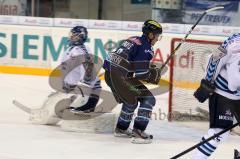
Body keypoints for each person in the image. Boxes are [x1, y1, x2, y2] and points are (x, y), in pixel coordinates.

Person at [103, 20, 167, 144]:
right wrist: (153, 74)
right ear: (150, 34)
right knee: (148, 99)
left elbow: (130, 63)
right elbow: (141, 74)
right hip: (120, 78)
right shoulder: (146, 48)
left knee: (131, 101)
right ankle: (138, 132)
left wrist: (149, 69)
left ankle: (121, 129)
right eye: (157, 36)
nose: (157, 39)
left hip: (110, 75)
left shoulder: (133, 39)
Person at [193, 33, 240, 159]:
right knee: (219, 132)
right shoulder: (234, 41)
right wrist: (207, 82)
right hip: (223, 94)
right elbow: (215, 57)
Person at [61, 25, 101, 113]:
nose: (70, 36)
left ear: (79, 37)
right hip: (74, 89)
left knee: (76, 109)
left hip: (87, 92)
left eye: (73, 35)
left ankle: (85, 108)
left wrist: (84, 89)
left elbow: (88, 72)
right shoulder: (69, 50)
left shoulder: (81, 51)